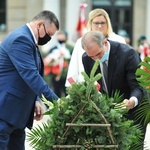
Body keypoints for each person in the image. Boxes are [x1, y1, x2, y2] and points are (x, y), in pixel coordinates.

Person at [0, 10, 59, 150]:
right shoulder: (21, 39)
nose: (49, 38)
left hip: (16, 115)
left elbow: (25, 76)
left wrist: (36, 100)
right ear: (40, 24)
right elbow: (31, 75)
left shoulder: (29, 39)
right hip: (5, 113)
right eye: (49, 34)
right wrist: (58, 103)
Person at [81, 30, 146, 147]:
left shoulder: (128, 54)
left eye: (99, 54)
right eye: (92, 56)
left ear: (105, 43)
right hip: (109, 111)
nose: (96, 59)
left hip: (134, 108)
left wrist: (132, 101)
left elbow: (137, 86)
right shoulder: (86, 58)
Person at [65, 8, 126, 87]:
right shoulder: (81, 42)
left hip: (114, 88)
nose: (100, 26)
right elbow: (74, 68)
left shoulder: (118, 40)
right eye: (96, 23)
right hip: (87, 89)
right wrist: (72, 90)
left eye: (103, 23)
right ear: (90, 23)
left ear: (108, 23)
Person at [44, 31, 73, 97]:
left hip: (67, 76)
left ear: (66, 37)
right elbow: (48, 61)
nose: (60, 38)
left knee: (67, 93)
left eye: (62, 36)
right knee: (56, 93)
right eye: (59, 36)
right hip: (55, 75)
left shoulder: (70, 48)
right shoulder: (53, 49)